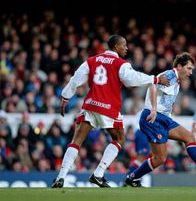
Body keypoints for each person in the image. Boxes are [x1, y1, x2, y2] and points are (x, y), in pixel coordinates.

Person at [51, 35, 169, 188]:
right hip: (108, 108)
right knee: (119, 139)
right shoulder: (121, 64)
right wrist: (155, 79)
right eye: (124, 45)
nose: (126, 48)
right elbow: (132, 79)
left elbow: (75, 79)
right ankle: (98, 174)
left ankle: (61, 177)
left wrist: (65, 97)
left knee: (76, 141)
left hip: (90, 105)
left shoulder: (92, 60)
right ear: (115, 47)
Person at [124, 52, 196, 187]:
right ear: (179, 66)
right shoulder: (169, 75)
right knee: (160, 158)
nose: (190, 72)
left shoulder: (176, 80)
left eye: (192, 69)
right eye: (188, 68)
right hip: (153, 118)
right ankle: (132, 177)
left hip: (164, 118)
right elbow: (153, 85)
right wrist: (153, 108)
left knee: (188, 137)